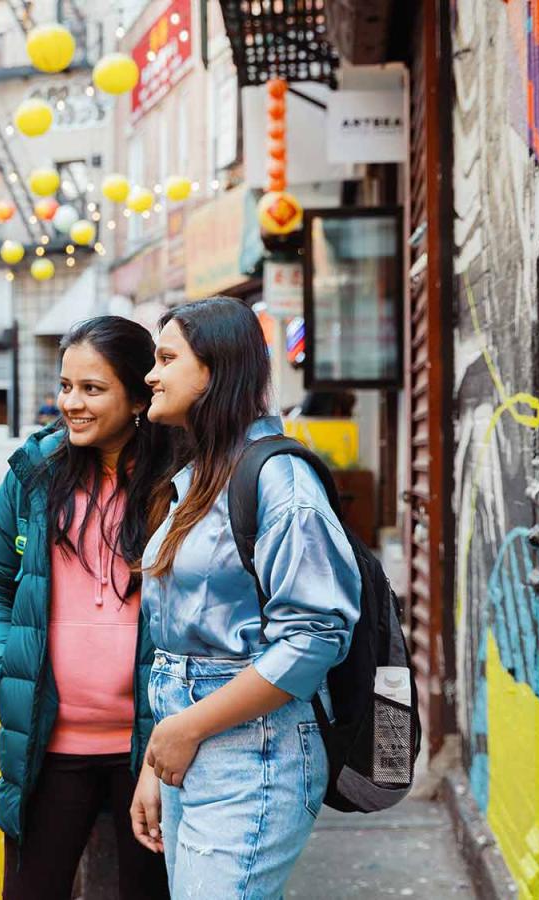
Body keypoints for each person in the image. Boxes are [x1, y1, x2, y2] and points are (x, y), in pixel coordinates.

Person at [130, 298, 360, 898]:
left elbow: (315, 638)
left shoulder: (279, 480)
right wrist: (163, 752)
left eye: (167, 358)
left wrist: (185, 729)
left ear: (214, 372)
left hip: (256, 752)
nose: (151, 375)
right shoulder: (201, 477)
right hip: (194, 744)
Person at [0, 316, 175, 899]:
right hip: (48, 744)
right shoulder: (34, 474)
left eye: (92, 389)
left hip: (151, 750)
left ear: (138, 395)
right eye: (65, 387)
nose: (72, 404)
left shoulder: (179, 480)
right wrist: (4, 668)